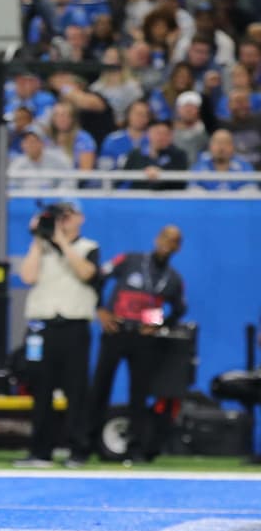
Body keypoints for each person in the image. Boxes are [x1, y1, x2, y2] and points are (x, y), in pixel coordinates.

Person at [87, 225, 187, 464]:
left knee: (139, 394)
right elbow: (99, 278)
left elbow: (179, 308)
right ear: (156, 238)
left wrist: (158, 324)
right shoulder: (130, 261)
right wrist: (100, 310)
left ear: (178, 248)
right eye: (164, 237)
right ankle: (85, 445)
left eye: (173, 241)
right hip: (116, 330)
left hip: (143, 338)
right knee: (100, 387)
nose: (167, 244)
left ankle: (136, 448)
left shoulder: (172, 278)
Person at [15, 200, 100, 469]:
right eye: (59, 216)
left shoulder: (88, 247)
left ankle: (77, 450)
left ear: (80, 218)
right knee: (41, 391)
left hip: (73, 327)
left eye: (68, 215)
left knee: (76, 391)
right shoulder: (42, 249)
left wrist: (62, 241)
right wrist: (39, 239)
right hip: (43, 327)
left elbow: (86, 273)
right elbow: (27, 277)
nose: (63, 220)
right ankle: (40, 451)